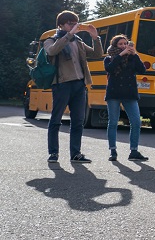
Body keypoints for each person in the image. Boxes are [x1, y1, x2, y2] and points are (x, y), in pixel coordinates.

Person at [44, 11, 103, 164]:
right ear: (61, 25)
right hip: (62, 84)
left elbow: (97, 54)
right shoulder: (51, 40)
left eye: (75, 23)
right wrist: (69, 35)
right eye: (70, 23)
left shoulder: (78, 41)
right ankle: (53, 153)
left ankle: (75, 153)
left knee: (78, 121)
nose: (74, 26)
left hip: (79, 84)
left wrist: (95, 38)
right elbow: (52, 51)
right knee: (56, 120)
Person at [104, 34, 149, 162]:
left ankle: (134, 151)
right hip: (114, 93)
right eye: (120, 44)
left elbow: (142, 70)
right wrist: (120, 55)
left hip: (130, 94)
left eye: (125, 43)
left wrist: (135, 55)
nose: (124, 46)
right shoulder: (109, 58)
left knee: (136, 122)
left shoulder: (132, 58)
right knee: (113, 122)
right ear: (115, 45)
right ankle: (113, 151)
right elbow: (110, 69)